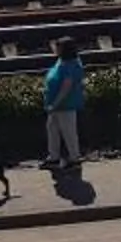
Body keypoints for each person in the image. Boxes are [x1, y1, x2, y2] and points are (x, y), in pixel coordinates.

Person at [42, 37, 85, 172]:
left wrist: (55, 103)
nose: (54, 49)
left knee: (68, 131)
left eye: (57, 47)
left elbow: (66, 86)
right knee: (52, 129)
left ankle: (74, 159)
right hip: (55, 104)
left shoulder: (72, 65)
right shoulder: (62, 61)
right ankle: (53, 157)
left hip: (66, 104)